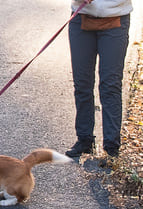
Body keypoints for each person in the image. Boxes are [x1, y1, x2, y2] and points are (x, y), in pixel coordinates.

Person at [66, 0, 133, 157]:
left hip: (115, 20)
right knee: (82, 84)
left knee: (110, 85)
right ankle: (84, 140)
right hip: (81, 19)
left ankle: (111, 147)